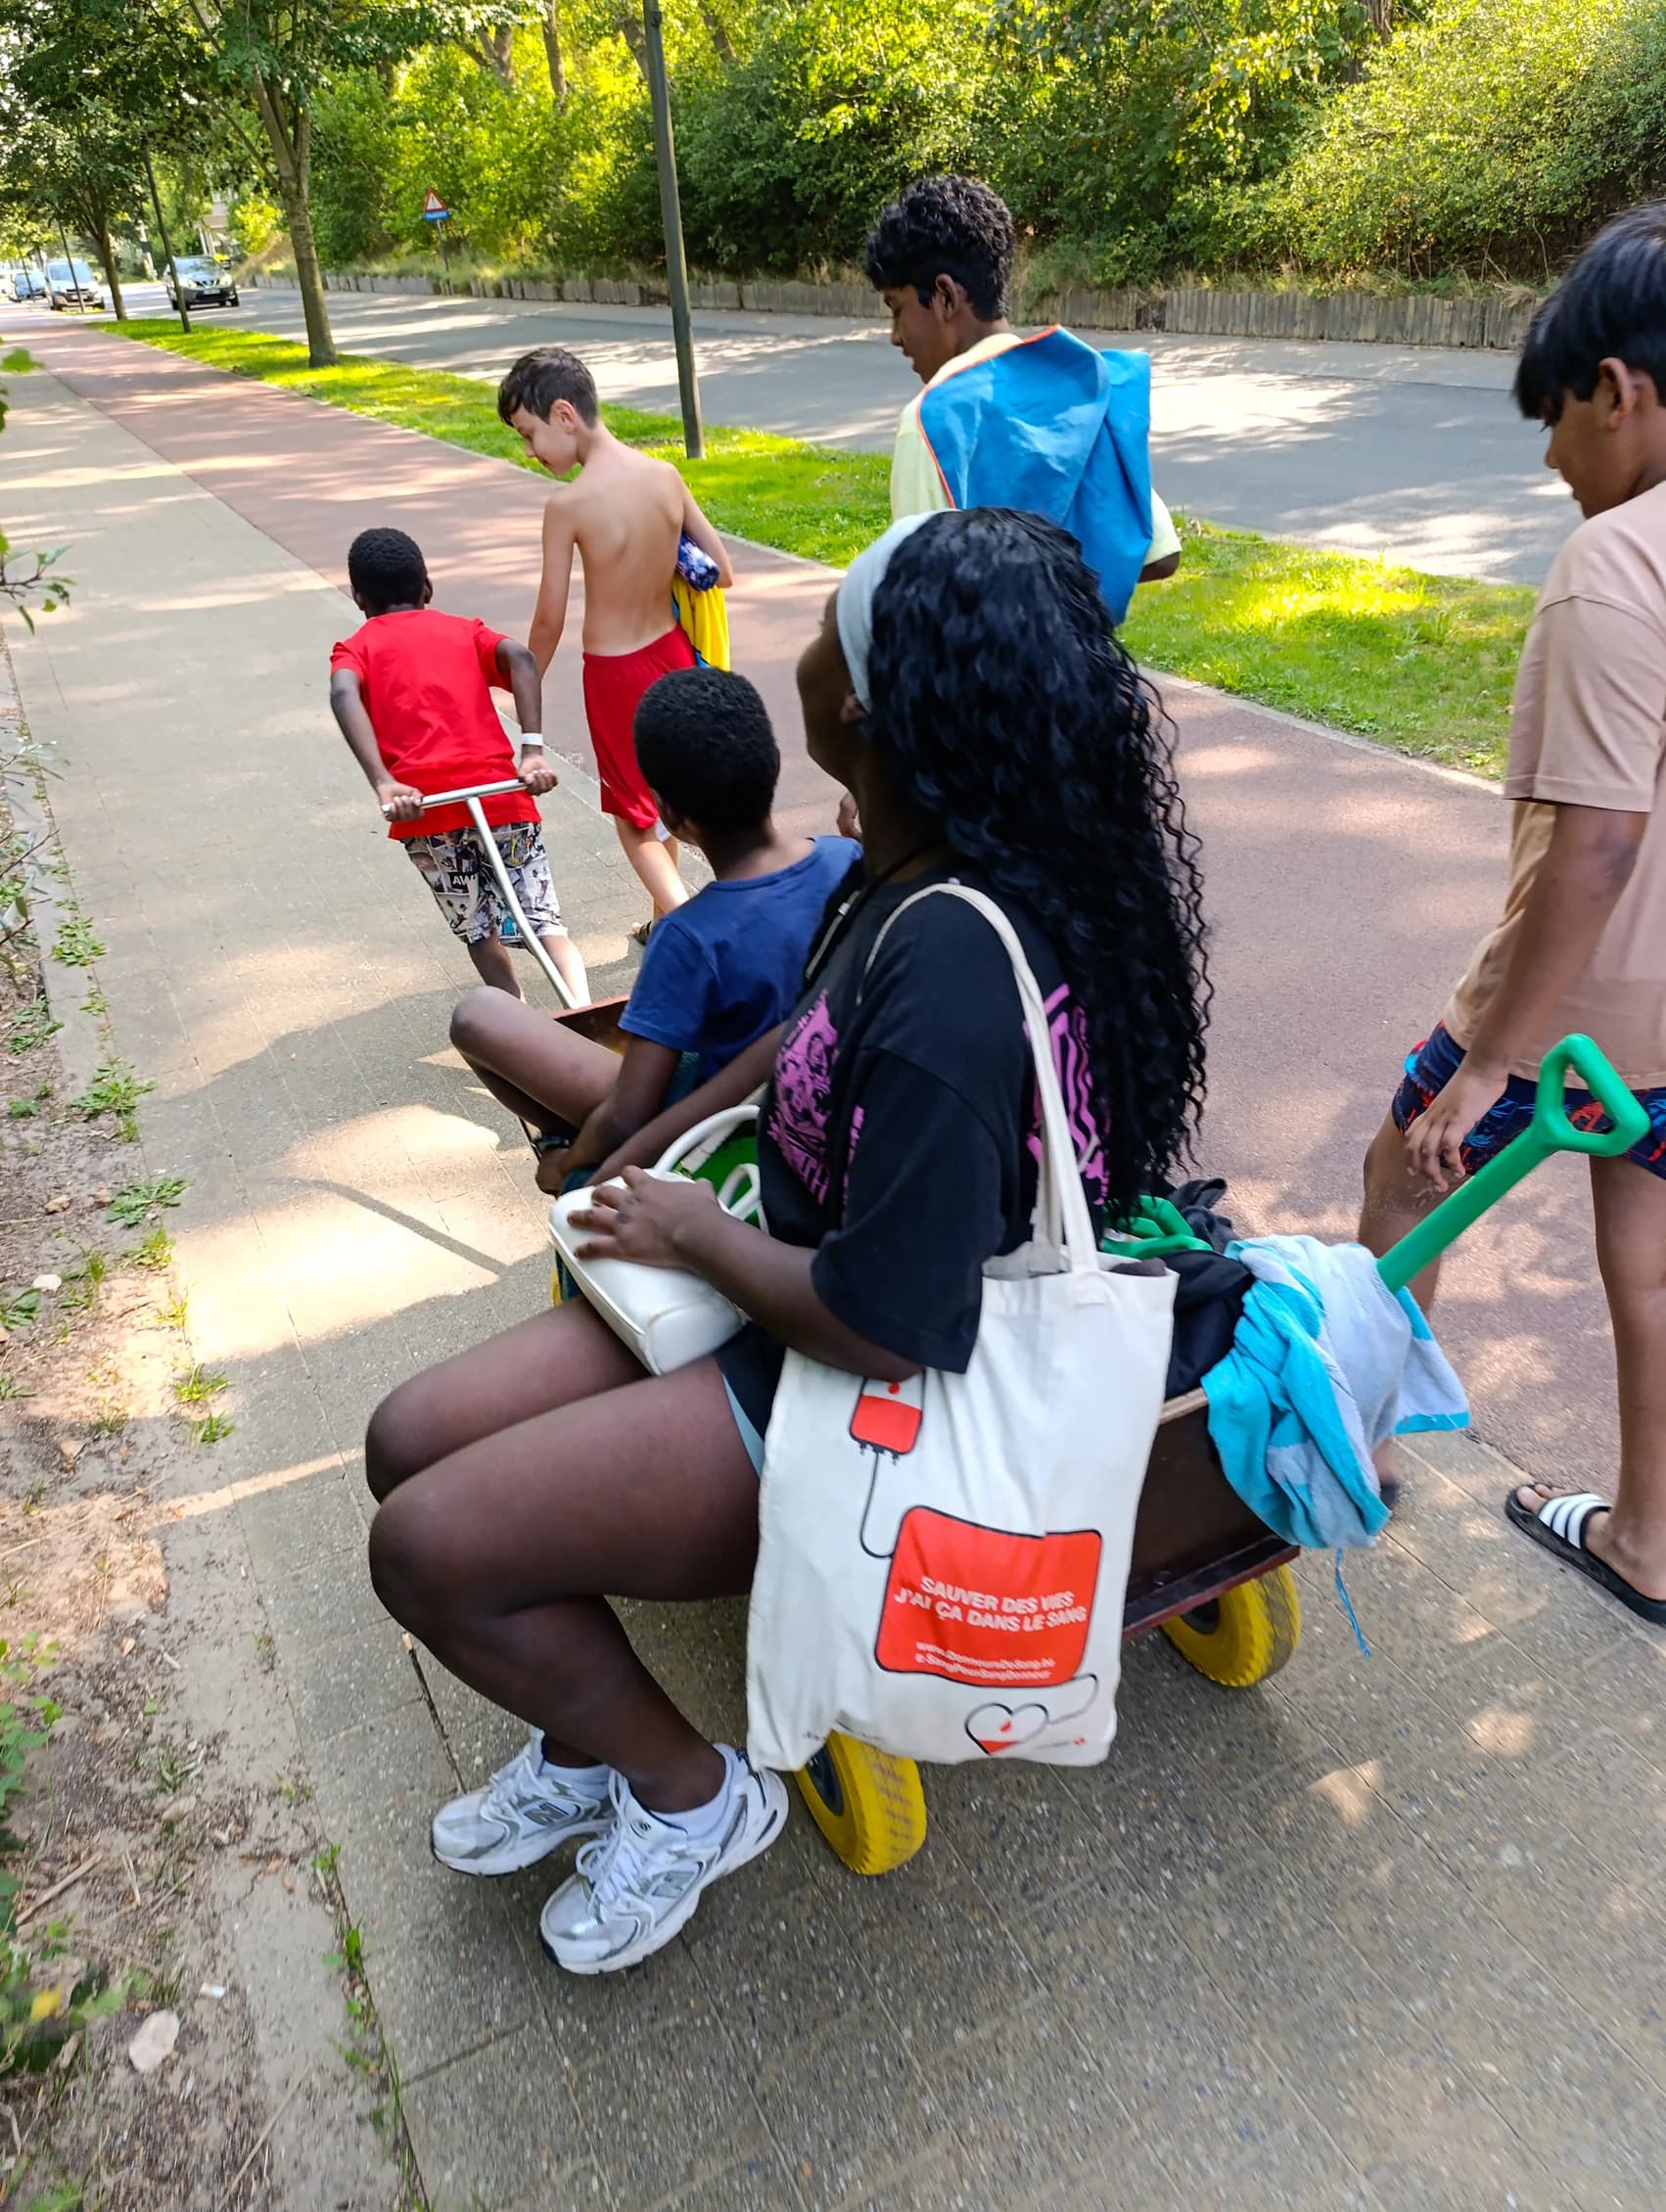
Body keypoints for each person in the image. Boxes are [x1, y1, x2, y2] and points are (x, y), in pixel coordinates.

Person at [361, 506, 1209, 1973]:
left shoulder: (956, 962)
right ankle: (586, 1734)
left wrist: (691, 1227)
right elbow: (806, 1030)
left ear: (867, 709)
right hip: (791, 1265)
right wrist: (656, 1148)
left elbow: (896, 1322)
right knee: (401, 1436)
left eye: (823, 630)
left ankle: (696, 1801)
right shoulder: (912, 855)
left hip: (861, 1369)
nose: (793, 645)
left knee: (424, 1546)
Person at [1358, 203, 1666, 1628]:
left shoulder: (1614, 567)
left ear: (1619, 391)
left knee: (1397, 1180)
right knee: (1647, 1248)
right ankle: (1647, 1544)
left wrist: (1488, 1061)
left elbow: (1594, 847)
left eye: (1555, 418)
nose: (1548, 460)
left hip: (1576, 1015)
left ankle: (1338, 1458)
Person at [449, 666, 858, 1192]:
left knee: (477, 1016)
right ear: (774, 764)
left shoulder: (689, 936)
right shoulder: (847, 857)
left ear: (667, 812)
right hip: (804, 1084)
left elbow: (629, 1114)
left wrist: (577, 1166)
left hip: (716, 1117)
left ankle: (559, 1145)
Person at [498, 345, 735, 934]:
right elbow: (722, 570)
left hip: (616, 676)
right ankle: (666, 918)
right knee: (675, 800)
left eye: (528, 435)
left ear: (563, 415)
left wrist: (519, 682)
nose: (528, 452)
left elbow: (549, 617)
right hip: (675, 658)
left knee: (634, 820)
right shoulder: (664, 476)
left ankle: (689, 934)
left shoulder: (569, 505)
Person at [864, 175, 1182, 594]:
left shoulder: (932, 420)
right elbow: (1159, 553)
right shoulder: (1078, 383)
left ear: (944, 296)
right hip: (1083, 659)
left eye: (896, 309)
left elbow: (922, 601)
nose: (895, 335)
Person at [329, 527, 588, 1004]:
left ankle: (515, 1019)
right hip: (500, 797)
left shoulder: (355, 649)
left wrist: (385, 782)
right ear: (427, 588)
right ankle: (587, 1012)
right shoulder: (464, 631)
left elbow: (343, 692)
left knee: (478, 929)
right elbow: (522, 659)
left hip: (425, 811)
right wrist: (531, 749)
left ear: (358, 596)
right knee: (543, 921)